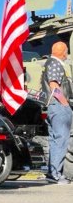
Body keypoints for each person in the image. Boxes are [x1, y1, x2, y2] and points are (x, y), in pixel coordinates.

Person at [40, 41, 73, 184]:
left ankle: (52, 173)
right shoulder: (54, 63)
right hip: (59, 106)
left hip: (53, 106)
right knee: (61, 140)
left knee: (54, 141)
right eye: (66, 51)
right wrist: (65, 105)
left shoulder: (50, 63)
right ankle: (56, 175)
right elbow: (54, 86)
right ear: (64, 52)